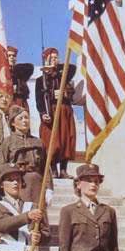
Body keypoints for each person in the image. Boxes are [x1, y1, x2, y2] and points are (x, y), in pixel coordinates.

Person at [35, 47, 77, 179]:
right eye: (51, 58)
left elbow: (71, 71)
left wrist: (64, 92)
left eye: (56, 57)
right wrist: (43, 113)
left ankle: (63, 170)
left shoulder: (64, 76)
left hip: (64, 111)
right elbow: (39, 99)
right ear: (46, 59)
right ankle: (53, 169)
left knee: (66, 139)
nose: (54, 60)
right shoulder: (40, 80)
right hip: (51, 111)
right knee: (52, 141)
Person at [0, 105, 53, 207]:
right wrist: (4, 189)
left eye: (27, 118)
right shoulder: (7, 142)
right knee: (22, 217)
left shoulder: (38, 142)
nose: (25, 121)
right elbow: (2, 168)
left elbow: (46, 168)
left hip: (37, 184)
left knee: (39, 217)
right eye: (21, 118)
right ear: (13, 123)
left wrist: (49, 188)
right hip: (18, 184)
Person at [7, 46, 33, 111]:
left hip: (22, 102)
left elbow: (30, 67)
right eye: (9, 56)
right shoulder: (2, 72)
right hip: (9, 102)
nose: (12, 57)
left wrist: (13, 68)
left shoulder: (20, 71)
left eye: (14, 56)